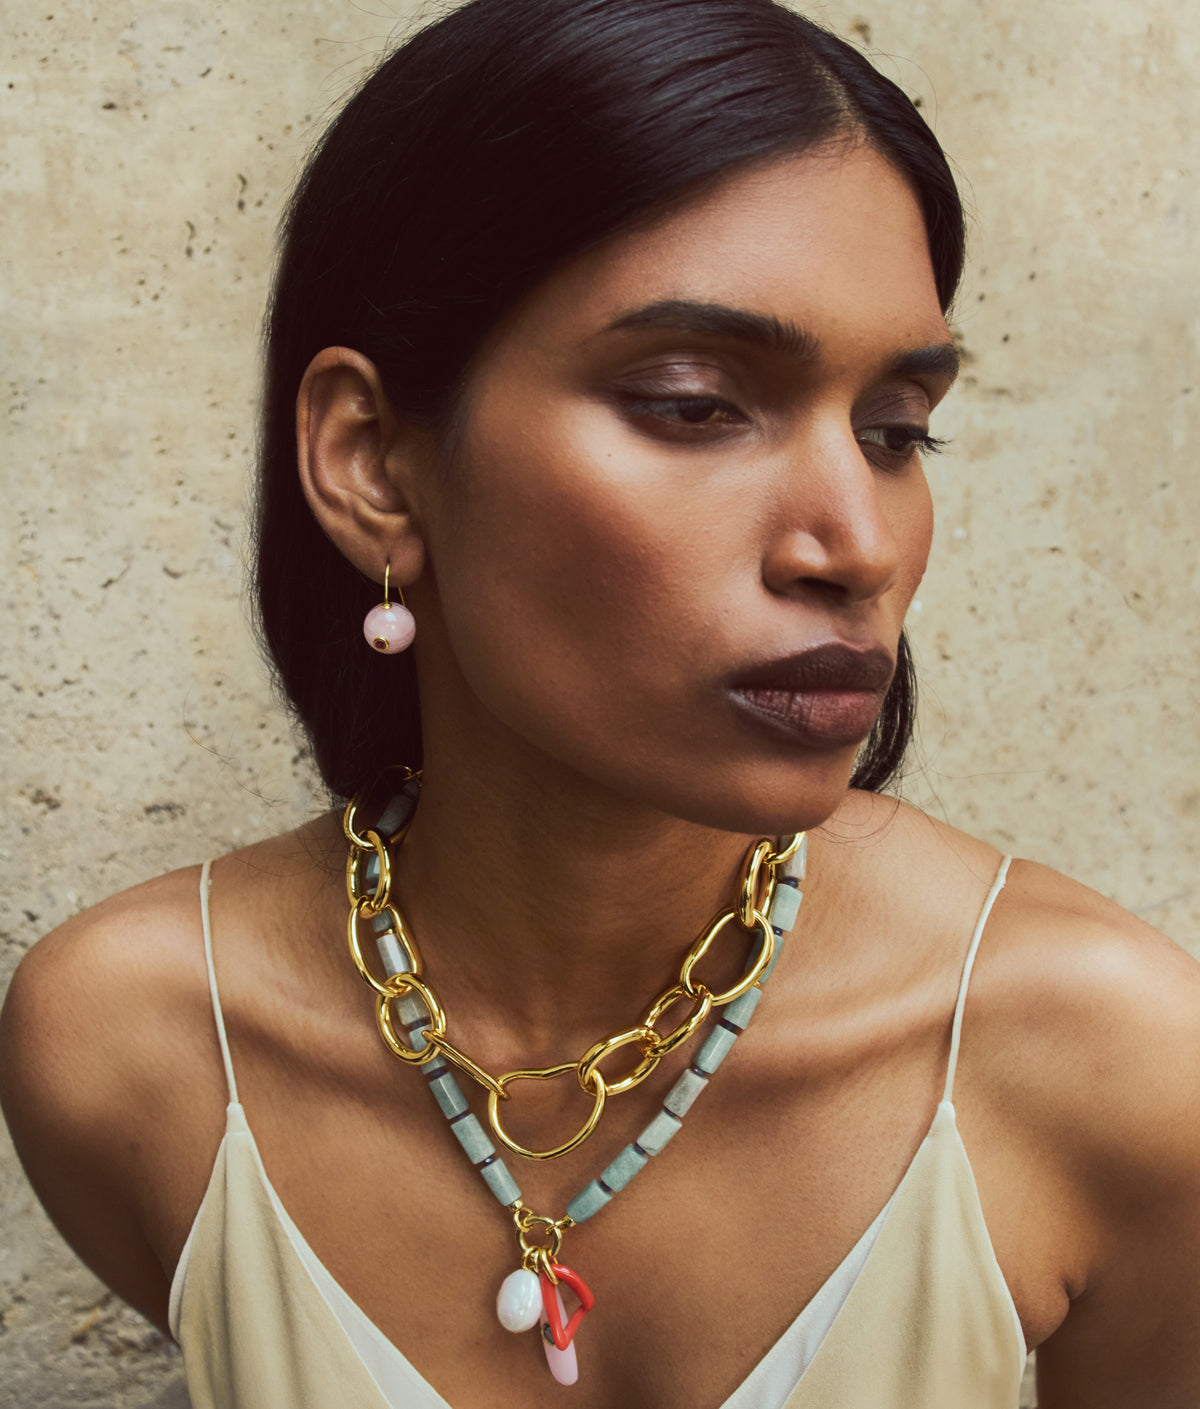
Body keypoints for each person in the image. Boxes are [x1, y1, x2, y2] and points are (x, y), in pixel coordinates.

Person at [2, 0, 1198, 1405]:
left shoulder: (1110, 1070)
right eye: (695, 403)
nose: (857, 544)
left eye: (895, 431)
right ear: (372, 463)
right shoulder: (134, 1050)